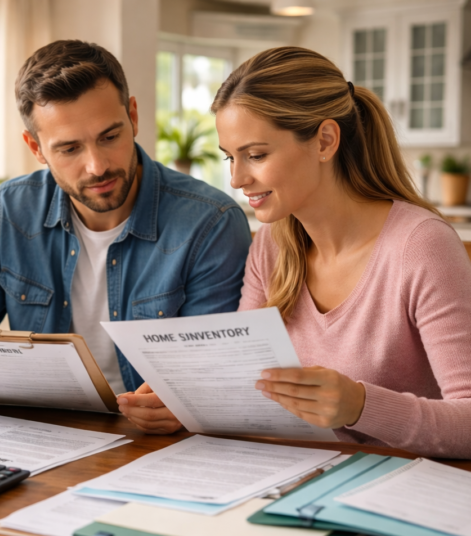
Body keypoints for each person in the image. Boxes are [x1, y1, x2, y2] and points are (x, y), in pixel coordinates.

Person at [124, 46, 471, 457]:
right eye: (230, 158)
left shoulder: (421, 246)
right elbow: (244, 383)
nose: (236, 179)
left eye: (256, 155)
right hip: (286, 474)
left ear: (325, 141)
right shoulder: (272, 245)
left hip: (395, 492)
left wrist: (360, 406)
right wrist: (183, 405)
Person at [0, 39, 251, 419]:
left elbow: (215, 377)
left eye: (110, 137)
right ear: (35, 148)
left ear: (133, 116)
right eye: (69, 149)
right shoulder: (10, 211)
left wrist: (184, 404)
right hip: (38, 432)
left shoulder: (209, 222)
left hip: (149, 445)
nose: (97, 166)